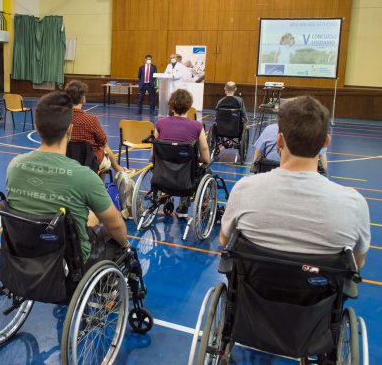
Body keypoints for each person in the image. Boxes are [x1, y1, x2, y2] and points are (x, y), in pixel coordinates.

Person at [220, 96, 370, 268]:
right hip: (319, 293)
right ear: (325, 142)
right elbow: (358, 262)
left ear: (279, 141)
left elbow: (225, 239)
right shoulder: (354, 204)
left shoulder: (244, 189)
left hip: (253, 290)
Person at [6, 91, 129, 268]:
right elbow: (116, 226)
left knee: (91, 217)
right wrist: (125, 244)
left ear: (37, 128)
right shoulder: (85, 176)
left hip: (25, 254)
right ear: (70, 130)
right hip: (69, 263)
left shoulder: (14, 165)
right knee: (115, 239)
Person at [155, 89, 210, 217]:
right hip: (185, 176)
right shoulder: (197, 126)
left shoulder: (160, 123)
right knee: (204, 170)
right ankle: (184, 203)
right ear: (189, 106)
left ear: (171, 106)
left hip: (163, 174)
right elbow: (205, 154)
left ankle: (166, 194)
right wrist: (200, 159)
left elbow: (154, 153)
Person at [64, 80, 125, 174]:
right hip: (89, 163)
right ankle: (117, 170)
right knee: (104, 147)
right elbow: (103, 141)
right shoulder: (91, 120)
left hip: (66, 161)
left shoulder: (60, 118)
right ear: (82, 99)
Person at [252, 122, 328, 173]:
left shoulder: (269, 129)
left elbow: (256, 158)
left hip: (269, 172)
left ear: (279, 140)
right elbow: (324, 167)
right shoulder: (315, 133)